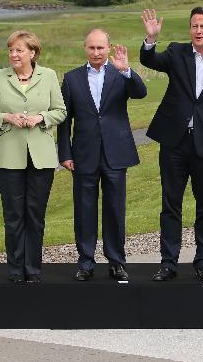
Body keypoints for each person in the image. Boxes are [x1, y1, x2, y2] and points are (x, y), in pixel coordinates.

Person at [139, 7, 203, 283]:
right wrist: (150, 40)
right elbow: (150, 60)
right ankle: (168, 263)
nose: (198, 31)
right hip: (174, 142)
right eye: (194, 26)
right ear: (190, 29)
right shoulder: (176, 52)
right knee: (170, 204)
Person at [58, 29, 147, 282]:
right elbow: (64, 121)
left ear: (109, 48)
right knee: (84, 209)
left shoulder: (120, 74)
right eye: (91, 48)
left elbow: (141, 93)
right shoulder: (72, 78)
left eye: (100, 48)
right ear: (85, 49)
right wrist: (65, 153)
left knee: (115, 209)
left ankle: (116, 261)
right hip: (84, 154)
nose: (96, 53)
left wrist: (127, 70)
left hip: (115, 153)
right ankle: (85, 262)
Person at [0, 30, 66, 283]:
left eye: (19, 50)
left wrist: (41, 118)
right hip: (9, 157)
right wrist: (7, 117)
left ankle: (34, 270)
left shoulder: (48, 76)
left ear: (33, 52)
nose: (14, 54)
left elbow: (60, 111)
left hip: (42, 156)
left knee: (35, 215)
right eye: (11, 50)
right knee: (13, 215)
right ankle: (15, 270)